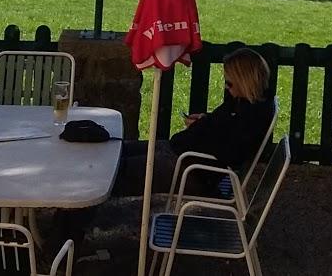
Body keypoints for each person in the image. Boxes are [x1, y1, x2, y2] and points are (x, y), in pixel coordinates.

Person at [115, 47, 274, 196]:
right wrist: (204, 120)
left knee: (120, 171)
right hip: (182, 153)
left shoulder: (251, 116)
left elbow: (229, 152)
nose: (227, 87)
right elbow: (220, 125)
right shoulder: (241, 102)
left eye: (230, 83)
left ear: (244, 82)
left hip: (193, 171)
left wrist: (201, 126)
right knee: (119, 149)